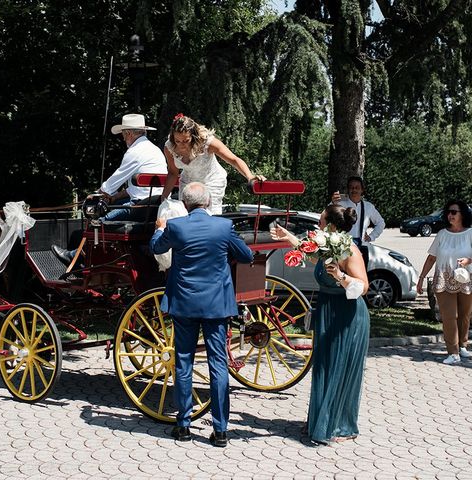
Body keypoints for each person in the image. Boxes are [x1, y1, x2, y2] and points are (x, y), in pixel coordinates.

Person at [149, 182, 254, 447]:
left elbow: (156, 249)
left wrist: (158, 229)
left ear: (184, 204)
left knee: (183, 362)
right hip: (216, 305)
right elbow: (246, 255)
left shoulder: (176, 227)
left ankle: (183, 425)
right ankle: (220, 431)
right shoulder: (223, 227)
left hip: (184, 303)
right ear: (207, 203)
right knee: (218, 364)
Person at [270, 204, 370, 445]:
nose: (318, 226)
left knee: (337, 367)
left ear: (332, 227)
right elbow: (309, 252)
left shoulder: (349, 251)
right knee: (324, 366)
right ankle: (321, 420)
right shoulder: (328, 246)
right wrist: (288, 237)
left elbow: (363, 287)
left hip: (346, 316)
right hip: (327, 311)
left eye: (322, 222)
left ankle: (339, 425)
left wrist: (340, 275)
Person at [51, 113, 167, 266]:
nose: (123, 139)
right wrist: (114, 198)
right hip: (154, 206)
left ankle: (75, 257)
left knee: (97, 223)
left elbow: (111, 184)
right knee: (113, 207)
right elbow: (137, 189)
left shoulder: (134, 152)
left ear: (129, 133)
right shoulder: (154, 150)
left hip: (139, 207)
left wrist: (95, 195)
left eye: (124, 135)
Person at [160, 114, 264, 215]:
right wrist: (164, 197)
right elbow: (173, 173)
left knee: (210, 215)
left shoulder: (208, 143)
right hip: (188, 183)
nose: (181, 145)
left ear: (194, 136)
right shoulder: (169, 148)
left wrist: (249, 176)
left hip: (212, 181)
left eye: (186, 141)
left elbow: (233, 159)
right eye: (177, 141)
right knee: (185, 215)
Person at [416, 200, 472, 365]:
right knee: (449, 316)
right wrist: (420, 279)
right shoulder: (441, 234)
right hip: (443, 280)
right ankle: (453, 352)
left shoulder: (470, 233)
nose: (450, 215)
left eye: (454, 212)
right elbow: (432, 257)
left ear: (463, 214)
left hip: (466, 280)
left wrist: (468, 260)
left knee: (464, 316)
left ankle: (462, 345)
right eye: (448, 212)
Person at [331, 176, 385, 267]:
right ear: (348, 189)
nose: (354, 190)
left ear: (362, 190)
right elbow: (327, 216)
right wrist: (332, 203)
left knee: (361, 279)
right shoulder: (340, 204)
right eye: (351, 187)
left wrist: (371, 237)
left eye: (357, 187)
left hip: (362, 247)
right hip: (343, 248)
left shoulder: (368, 207)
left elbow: (381, 223)